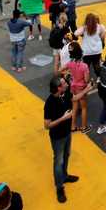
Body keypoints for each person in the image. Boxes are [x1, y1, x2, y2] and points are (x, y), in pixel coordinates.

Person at [43, 74, 90, 203]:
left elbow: (75, 98)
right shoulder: (50, 103)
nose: (67, 84)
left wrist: (86, 90)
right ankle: (59, 187)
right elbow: (47, 125)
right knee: (58, 161)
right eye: (64, 84)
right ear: (59, 88)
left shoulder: (66, 94)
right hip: (57, 137)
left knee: (66, 155)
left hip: (67, 133)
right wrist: (63, 118)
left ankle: (64, 176)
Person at [74, 13, 106, 80]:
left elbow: (75, 33)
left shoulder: (84, 28)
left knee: (86, 66)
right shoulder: (100, 27)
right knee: (96, 65)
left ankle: (86, 80)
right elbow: (103, 35)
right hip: (97, 50)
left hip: (87, 51)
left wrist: (82, 34)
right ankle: (99, 78)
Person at [67, 43, 91, 133]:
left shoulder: (70, 63)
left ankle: (73, 126)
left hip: (73, 86)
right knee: (84, 107)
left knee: (74, 107)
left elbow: (61, 69)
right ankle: (84, 127)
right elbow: (86, 79)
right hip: (81, 88)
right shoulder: (84, 66)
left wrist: (69, 74)